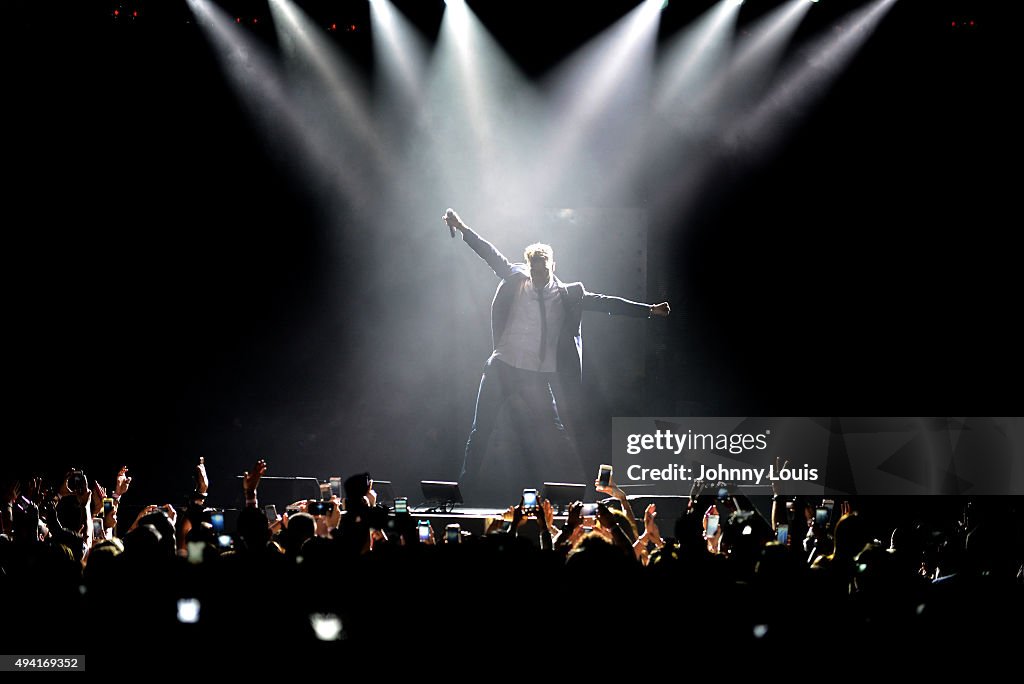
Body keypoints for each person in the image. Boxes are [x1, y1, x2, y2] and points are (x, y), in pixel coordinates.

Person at [442, 208, 670, 502]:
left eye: (543, 271)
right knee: (480, 432)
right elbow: (489, 253)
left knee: (556, 435)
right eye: (534, 272)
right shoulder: (514, 277)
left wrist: (648, 310)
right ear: (527, 267)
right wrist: (462, 227)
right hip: (502, 368)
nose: (538, 277)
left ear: (553, 266)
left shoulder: (569, 294)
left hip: (537, 377)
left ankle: (575, 497)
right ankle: (460, 496)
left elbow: (607, 303)